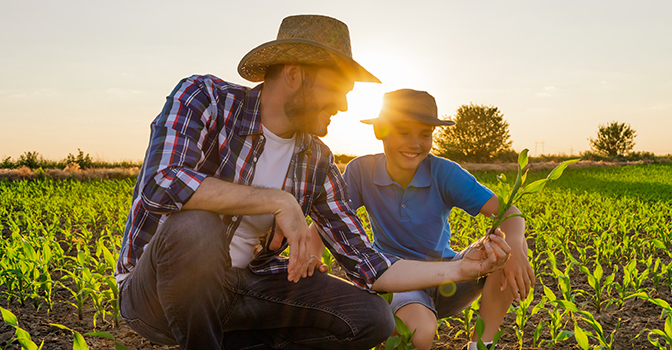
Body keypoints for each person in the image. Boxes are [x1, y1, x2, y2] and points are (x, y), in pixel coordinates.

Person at [115, 15, 512, 350]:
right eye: (338, 91)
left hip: (245, 291)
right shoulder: (205, 98)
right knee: (195, 225)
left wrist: (462, 269)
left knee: (372, 317)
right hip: (157, 295)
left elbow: (369, 264)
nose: (342, 105)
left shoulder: (317, 160)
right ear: (294, 74)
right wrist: (278, 201)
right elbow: (161, 183)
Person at [337, 89, 535, 350]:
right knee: (419, 333)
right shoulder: (361, 171)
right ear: (380, 131)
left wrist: (517, 250)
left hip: (450, 275)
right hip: (400, 280)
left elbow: (508, 211)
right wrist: (312, 258)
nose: (415, 143)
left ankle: (481, 345)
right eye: (403, 132)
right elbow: (331, 217)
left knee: (503, 250)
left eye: (425, 135)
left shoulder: (444, 172)